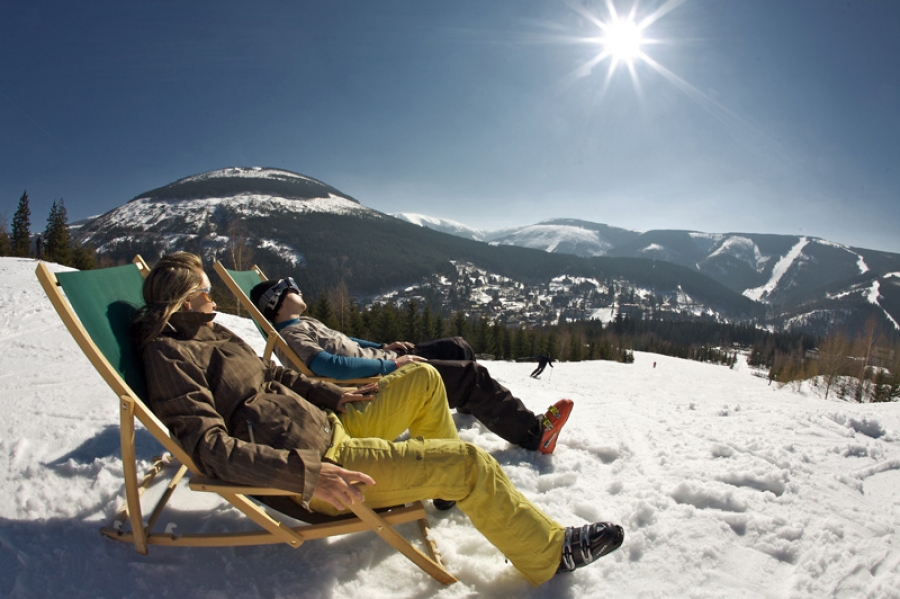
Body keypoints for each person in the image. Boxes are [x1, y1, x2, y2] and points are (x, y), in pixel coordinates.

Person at [132, 252, 623, 585]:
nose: (213, 297)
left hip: (329, 421)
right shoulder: (169, 355)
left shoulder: (213, 335)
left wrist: (335, 394)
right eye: (205, 290)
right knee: (470, 463)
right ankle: (548, 554)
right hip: (323, 463)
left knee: (426, 378)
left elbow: (276, 376)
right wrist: (306, 474)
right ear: (184, 297)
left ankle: (442, 486)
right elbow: (209, 449)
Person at [250, 277, 573, 454]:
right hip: (383, 377)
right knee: (472, 377)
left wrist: (383, 348)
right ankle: (534, 434)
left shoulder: (303, 321)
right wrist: (391, 366)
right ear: (276, 302)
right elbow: (327, 366)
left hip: (385, 361)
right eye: (289, 286)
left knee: (457, 345)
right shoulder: (292, 334)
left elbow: (345, 341)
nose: (297, 287)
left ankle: (471, 406)